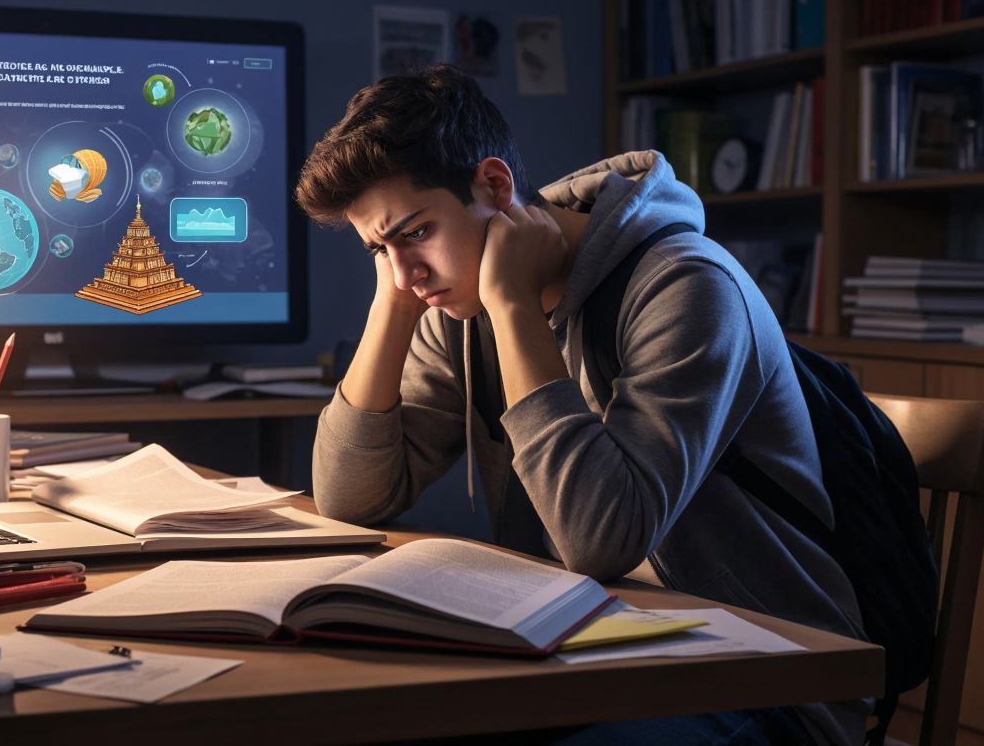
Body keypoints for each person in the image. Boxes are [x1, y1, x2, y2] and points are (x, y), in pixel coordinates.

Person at [295, 64, 868, 745]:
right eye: (376, 248)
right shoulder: (449, 302)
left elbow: (603, 539)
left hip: (763, 674)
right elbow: (348, 494)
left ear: (494, 186)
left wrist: (511, 304)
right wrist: (393, 298)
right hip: (588, 655)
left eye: (415, 232)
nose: (404, 272)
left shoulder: (688, 286)